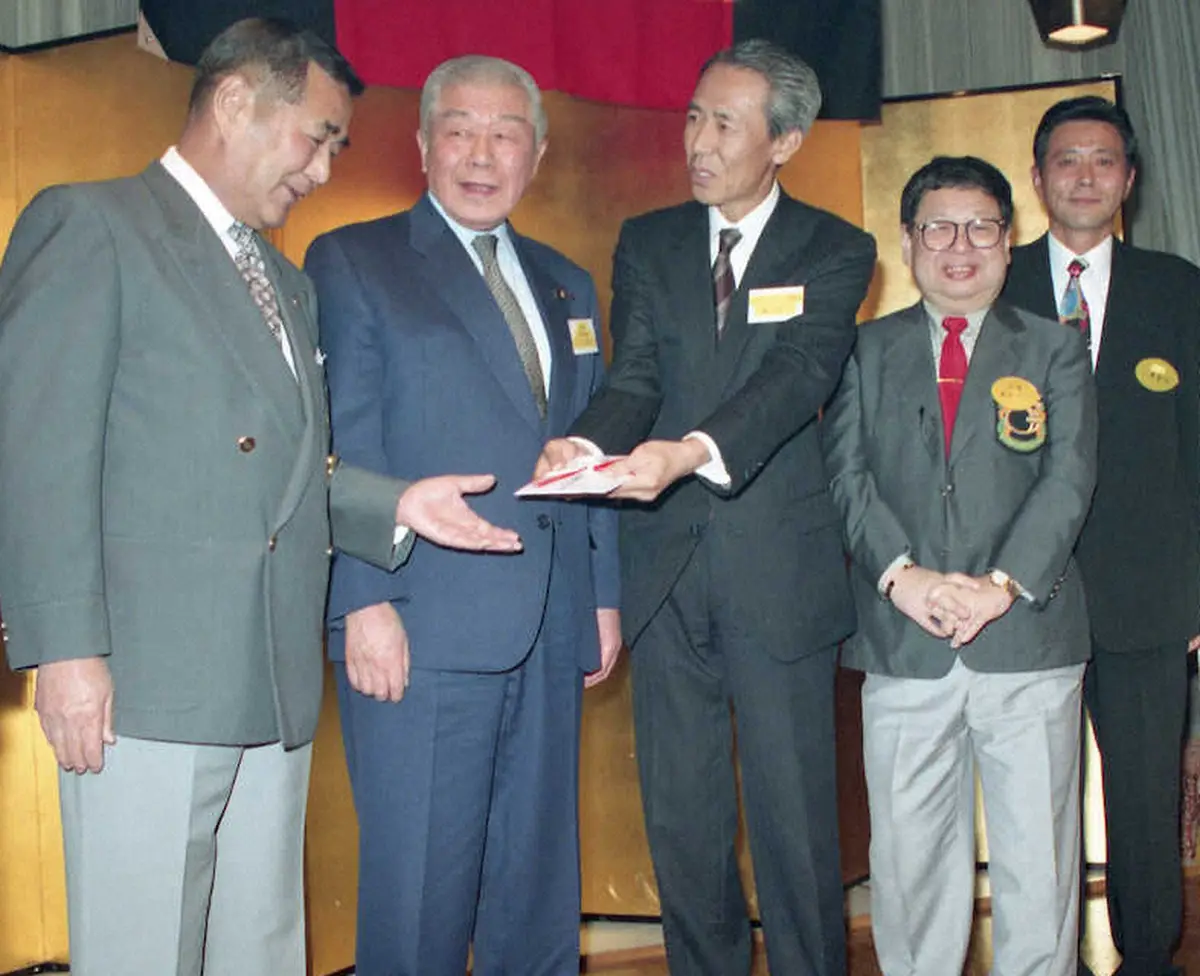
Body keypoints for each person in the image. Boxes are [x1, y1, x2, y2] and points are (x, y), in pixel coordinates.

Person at [0, 18, 519, 976]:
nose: (321, 171)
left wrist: (393, 505)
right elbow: (36, 455)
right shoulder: (94, 225)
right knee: (143, 954)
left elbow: (284, 470)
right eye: (317, 138)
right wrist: (65, 651)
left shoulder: (284, 278)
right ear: (237, 101)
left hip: (271, 682)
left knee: (261, 952)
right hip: (145, 687)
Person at [536, 39, 875, 975]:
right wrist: (584, 445)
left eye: (725, 123)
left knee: (795, 823)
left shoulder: (835, 248)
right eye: (694, 117)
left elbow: (798, 375)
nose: (698, 141)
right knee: (683, 822)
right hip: (666, 571)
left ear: (786, 141)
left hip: (779, 571)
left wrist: (690, 453)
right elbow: (636, 377)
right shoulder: (649, 241)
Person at [304, 54, 622, 976]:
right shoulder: (354, 260)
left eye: (505, 134)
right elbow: (343, 442)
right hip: (419, 627)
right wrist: (361, 602)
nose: (482, 154)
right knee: (419, 905)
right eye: (459, 131)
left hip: (551, 628)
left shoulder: (567, 282)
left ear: (538, 153)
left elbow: (586, 444)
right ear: (422, 144)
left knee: (536, 898)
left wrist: (602, 596)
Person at [823, 154, 1097, 976]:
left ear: (1009, 242)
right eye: (938, 228)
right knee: (909, 867)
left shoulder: (1054, 349)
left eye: (981, 228)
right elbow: (845, 475)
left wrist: (999, 586)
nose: (960, 246)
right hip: (903, 642)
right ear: (907, 241)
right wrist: (902, 578)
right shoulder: (862, 351)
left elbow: (1068, 479)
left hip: (1027, 640)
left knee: (1039, 862)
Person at [1003, 96, 1200, 976]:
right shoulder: (994, 282)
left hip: (1151, 591)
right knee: (1032, 797)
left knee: (1145, 792)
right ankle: (1049, 958)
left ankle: (1149, 957)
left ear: (1129, 180)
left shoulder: (1179, 288)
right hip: (1018, 592)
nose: (1085, 176)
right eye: (1067, 160)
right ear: (1038, 176)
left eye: (1104, 160)